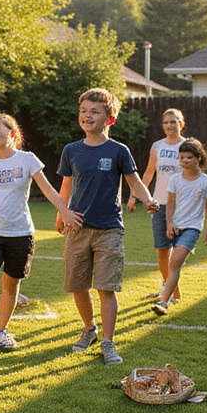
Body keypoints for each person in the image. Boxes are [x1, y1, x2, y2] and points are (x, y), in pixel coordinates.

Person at [0, 113, 83, 350]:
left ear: (12, 132)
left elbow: (49, 191)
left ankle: (1, 331)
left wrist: (66, 212)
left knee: (11, 286)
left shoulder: (28, 159)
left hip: (20, 233)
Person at [57, 88, 158, 366]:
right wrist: (61, 214)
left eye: (94, 112)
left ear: (109, 119)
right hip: (77, 228)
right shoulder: (71, 150)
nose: (87, 116)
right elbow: (66, 186)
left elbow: (134, 181)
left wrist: (147, 199)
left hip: (110, 229)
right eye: (83, 111)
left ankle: (108, 342)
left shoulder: (119, 151)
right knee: (77, 286)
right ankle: (89, 328)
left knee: (106, 288)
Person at [151, 138, 207, 316]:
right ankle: (171, 295)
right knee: (174, 265)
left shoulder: (206, 181)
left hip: (193, 228)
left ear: (198, 159)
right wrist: (169, 224)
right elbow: (169, 204)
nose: (184, 161)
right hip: (176, 226)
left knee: (175, 261)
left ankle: (164, 302)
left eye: (188, 157)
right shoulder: (175, 179)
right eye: (182, 157)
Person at [129, 107, 186, 302]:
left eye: (174, 121)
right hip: (159, 204)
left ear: (181, 124)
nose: (169, 125)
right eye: (166, 122)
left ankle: (169, 290)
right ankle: (172, 291)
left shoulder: (188, 147)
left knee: (178, 251)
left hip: (181, 206)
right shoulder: (157, 146)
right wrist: (134, 196)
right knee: (163, 250)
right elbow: (147, 174)